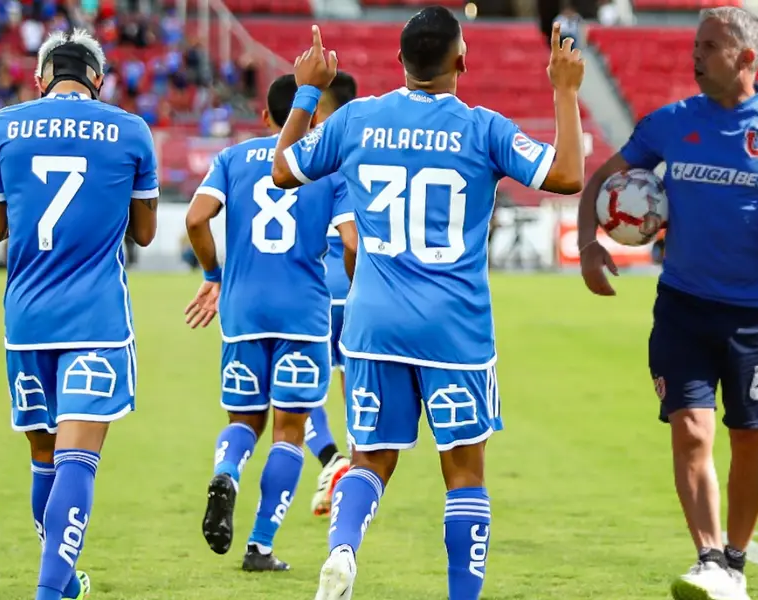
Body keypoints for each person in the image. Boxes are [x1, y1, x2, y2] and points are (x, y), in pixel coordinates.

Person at [270, 11, 587, 599]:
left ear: (399, 63)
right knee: (464, 474)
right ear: (462, 61)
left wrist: (308, 90)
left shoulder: (359, 119)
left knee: (371, 458)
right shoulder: (482, 129)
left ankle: (342, 550)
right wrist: (565, 90)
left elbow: (282, 168)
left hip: (373, 324)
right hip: (454, 329)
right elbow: (567, 174)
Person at [576, 7, 758, 600]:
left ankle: (734, 561)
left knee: (752, 440)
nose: (695, 55)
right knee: (690, 430)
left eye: (709, 46)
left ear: (746, 57)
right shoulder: (668, 124)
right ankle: (710, 558)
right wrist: (590, 244)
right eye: (695, 43)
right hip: (682, 307)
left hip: (755, 317)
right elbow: (599, 184)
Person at [0, 28, 159, 600]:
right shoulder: (131, 131)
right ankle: (51, 591)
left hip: (27, 317)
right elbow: (147, 233)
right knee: (78, 458)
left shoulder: (4, 126)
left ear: (40, 77)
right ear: (99, 80)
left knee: (43, 455)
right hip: (98, 320)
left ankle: (58, 583)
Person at [183, 73, 359, 572]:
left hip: (241, 313)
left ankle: (226, 471)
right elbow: (350, 243)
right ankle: (259, 547)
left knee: (243, 421)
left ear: (265, 118)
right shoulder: (328, 170)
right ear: (315, 119)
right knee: (289, 430)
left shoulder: (232, 158)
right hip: (303, 314)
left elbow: (196, 219)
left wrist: (215, 275)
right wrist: (359, 287)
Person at [306, 70, 359, 519]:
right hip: (358, 288)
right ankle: (356, 478)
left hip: (313, 292)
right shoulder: (368, 146)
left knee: (299, 391)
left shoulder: (308, 152)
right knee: (355, 387)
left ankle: (330, 460)